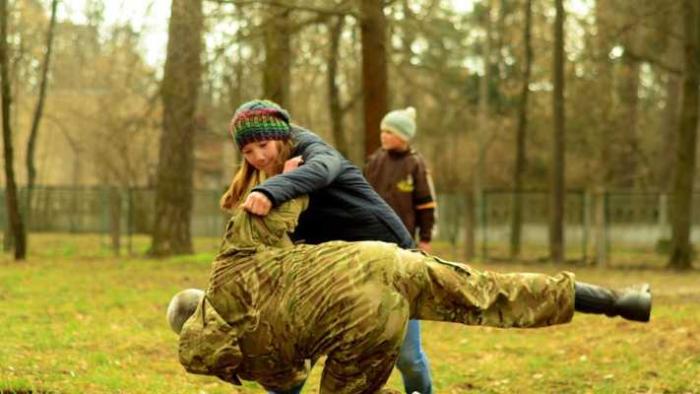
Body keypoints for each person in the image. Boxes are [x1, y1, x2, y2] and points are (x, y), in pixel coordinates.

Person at [167, 197, 652, 394]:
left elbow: (293, 376)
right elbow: (271, 207)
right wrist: (291, 173)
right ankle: (617, 301)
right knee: (495, 292)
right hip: (385, 260)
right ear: (202, 295)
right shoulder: (231, 263)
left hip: (363, 322)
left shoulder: (243, 364)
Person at [220, 99, 432, 394]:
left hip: (390, 259)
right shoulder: (275, 171)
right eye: (247, 151)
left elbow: (323, 169)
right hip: (333, 271)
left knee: (409, 358)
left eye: (263, 145)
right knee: (297, 353)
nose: (257, 157)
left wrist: (273, 188)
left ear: (280, 136)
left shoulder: (312, 151)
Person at [365, 106, 436, 253]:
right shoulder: (374, 161)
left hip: (403, 237)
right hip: (372, 235)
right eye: (382, 131)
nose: (383, 136)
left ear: (403, 136)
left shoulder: (416, 164)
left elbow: (426, 206)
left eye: (389, 132)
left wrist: (425, 239)